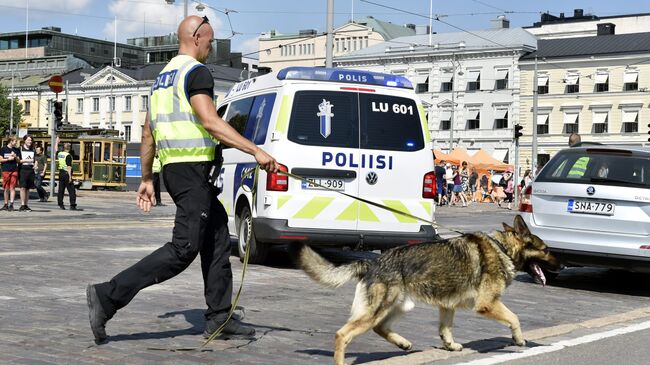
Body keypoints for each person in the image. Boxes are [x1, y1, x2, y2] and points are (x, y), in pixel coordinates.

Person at [86, 15, 279, 344]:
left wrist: (148, 177)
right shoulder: (196, 72)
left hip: (177, 172)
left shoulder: (163, 78)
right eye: (210, 40)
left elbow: (148, 131)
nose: (211, 46)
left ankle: (220, 317)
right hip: (191, 172)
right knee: (183, 249)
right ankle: (108, 296)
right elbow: (211, 121)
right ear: (195, 36)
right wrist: (256, 151)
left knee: (218, 239)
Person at [0, 135, 21, 211]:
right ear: (10, 141)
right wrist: (8, 159)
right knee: (6, 188)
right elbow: (1, 160)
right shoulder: (3, 149)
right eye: (15, 141)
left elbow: (19, 161)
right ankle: (5, 204)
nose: (16, 142)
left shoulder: (17, 150)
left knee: (12, 187)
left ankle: (11, 204)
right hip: (6, 169)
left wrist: (15, 157)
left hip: (14, 170)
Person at [18, 135, 36, 212]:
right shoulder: (20, 149)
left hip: (30, 170)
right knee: (22, 187)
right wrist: (27, 161)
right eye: (28, 140)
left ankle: (26, 204)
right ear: (24, 140)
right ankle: (22, 205)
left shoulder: (33, 149)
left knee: (28, 188)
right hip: (22, 169)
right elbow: (18, 161)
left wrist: (35, 165)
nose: (30, 142)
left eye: (31, 140)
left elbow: (35, 160)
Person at [57, 142, 77, 210]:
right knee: (71, 190)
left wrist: (56, 143)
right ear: (69, 148)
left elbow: (56, 150)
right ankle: (72, 205)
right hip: (66, 174)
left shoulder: (60, 154)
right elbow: (69, 167)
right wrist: (70, 177)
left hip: (61, 173)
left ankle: (60, 204)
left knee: (61, 190)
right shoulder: (68, 155)